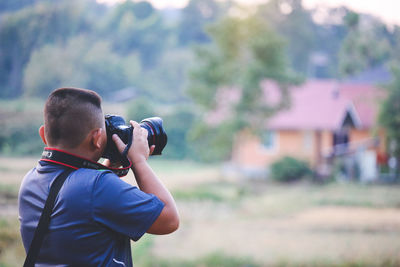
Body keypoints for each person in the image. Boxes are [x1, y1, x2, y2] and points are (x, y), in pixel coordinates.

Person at [18, 87, 179, 266]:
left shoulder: (30, 180)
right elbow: (169, 220)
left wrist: (108, 168)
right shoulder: (97, 187)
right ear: (97, 138)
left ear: (43, 135)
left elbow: (81, 207)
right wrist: (139, 161)